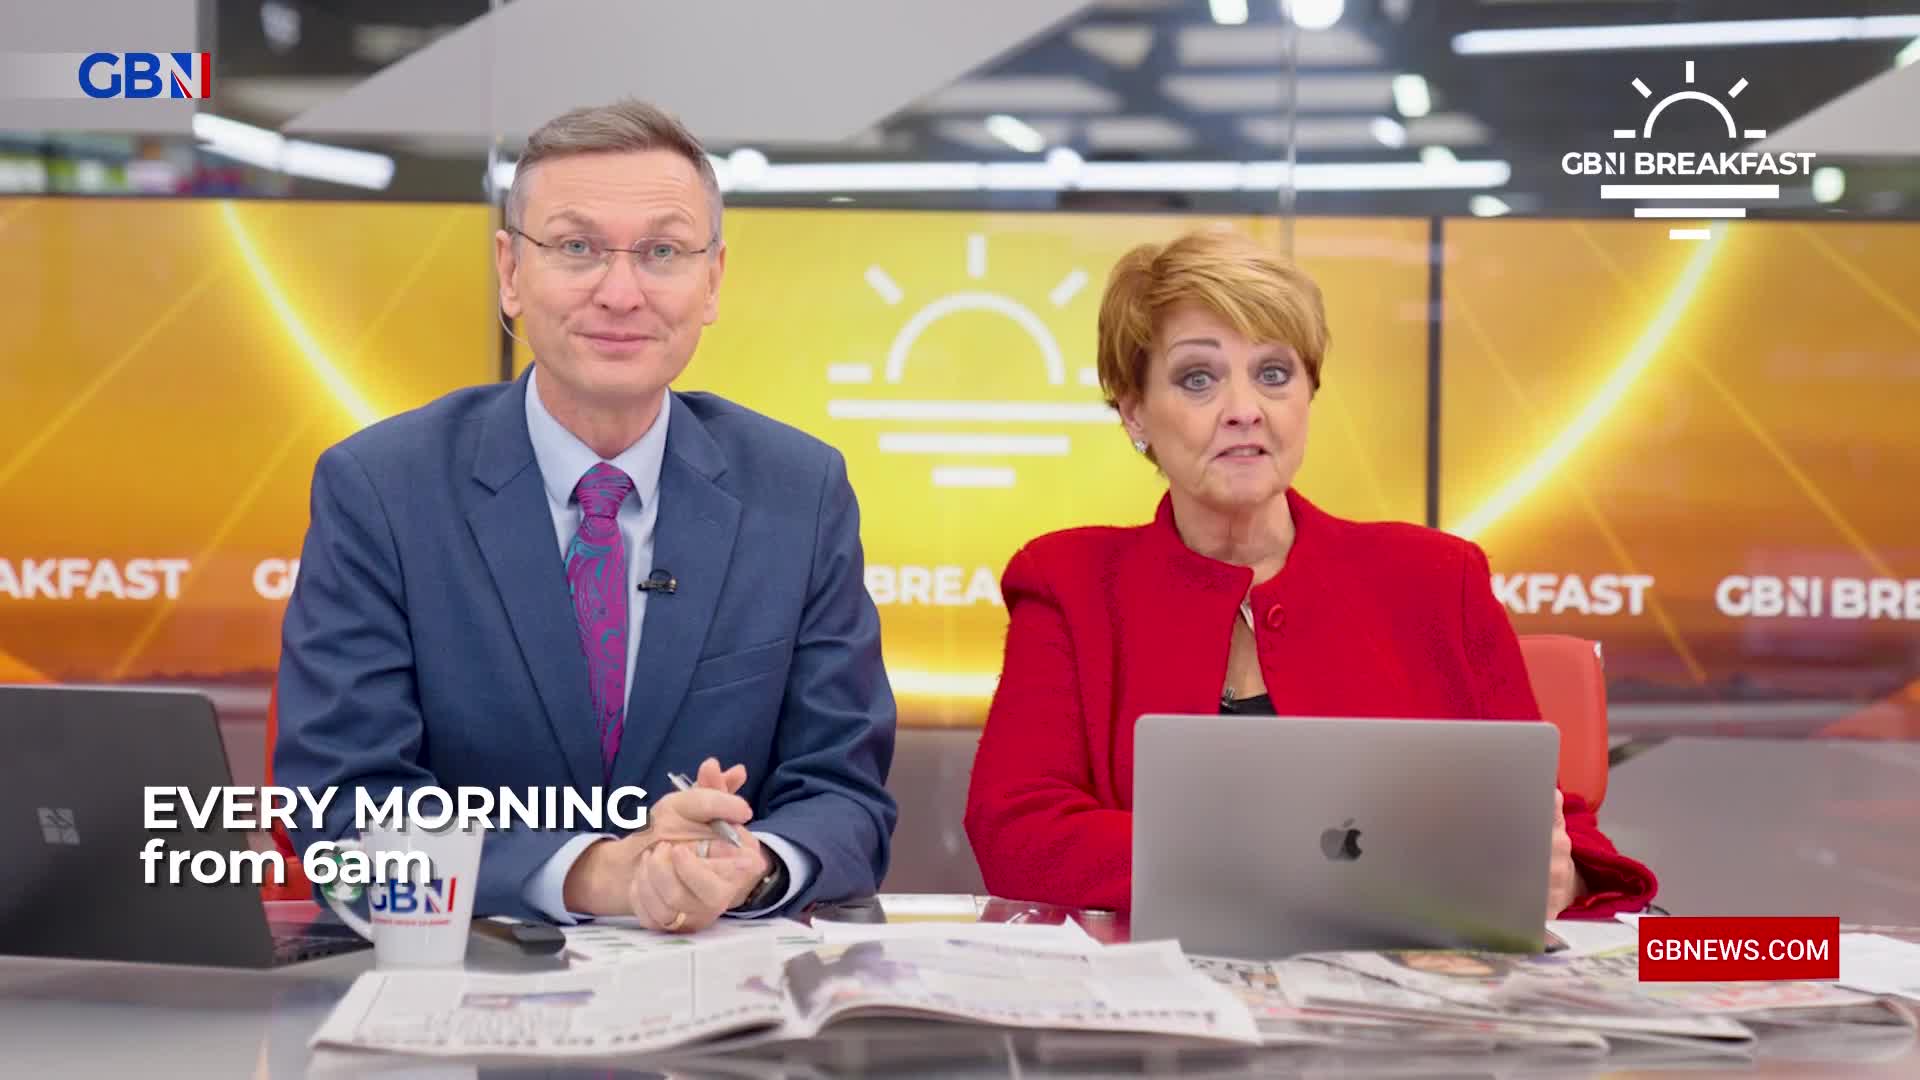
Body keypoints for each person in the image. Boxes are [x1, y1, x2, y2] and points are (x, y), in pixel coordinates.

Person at [276, 99, 897, 932]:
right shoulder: (382, 489)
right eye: (576, 248)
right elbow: (341, 819)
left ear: (712, 280)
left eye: (663, 253)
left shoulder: (799, 490)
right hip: (462, 1001)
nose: (620, 292)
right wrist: (592, 875)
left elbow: (844, 795)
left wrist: (749, 868)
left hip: (718, 1011)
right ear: (509, 272)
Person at [962, 226, 1655, 920]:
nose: (1244, 409)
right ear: (1134, 410)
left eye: (1273, 373)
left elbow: (1556, 828)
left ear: (1308, 396)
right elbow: (1019, 833)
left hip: (1403, 1007)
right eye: (1197, 378)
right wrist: (1324, 865)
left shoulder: (1440, 580)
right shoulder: (1069, 582)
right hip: (1162, 1003)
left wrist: (1560, 880)